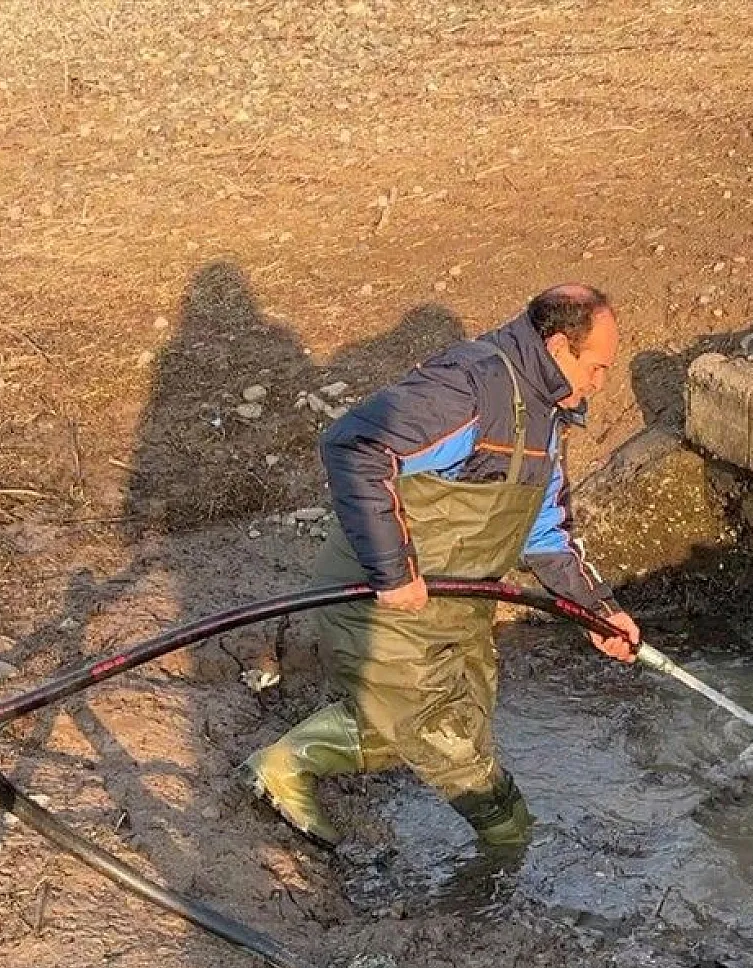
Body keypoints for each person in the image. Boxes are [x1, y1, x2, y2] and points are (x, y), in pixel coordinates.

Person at [243, 285, 640, 849]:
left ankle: (285, 763)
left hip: (453, 612)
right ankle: (509, 857)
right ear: (558, 347)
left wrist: (601, 613)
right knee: (465, 762)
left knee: (457, 721)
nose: (601, 383)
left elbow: (547, 534)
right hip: (381, 604)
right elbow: (356, 447)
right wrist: (393, 572)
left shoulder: (546, 418)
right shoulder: (471, 385)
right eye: (597, 366)